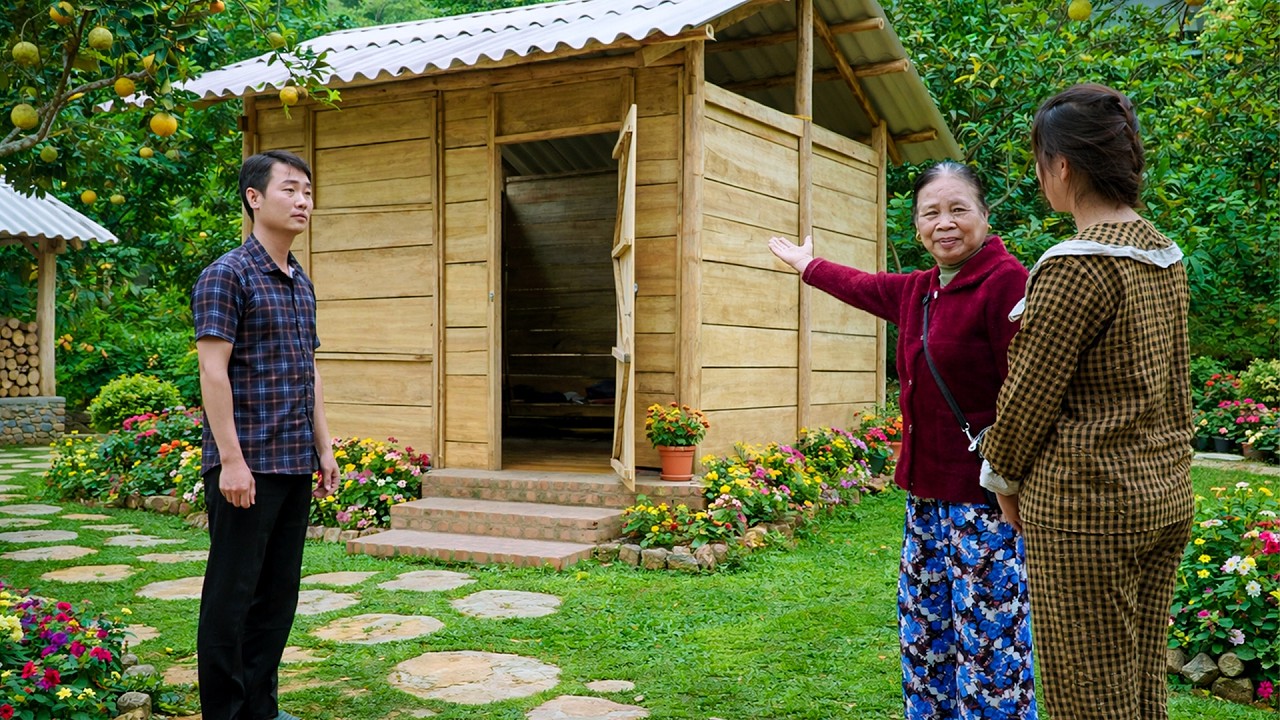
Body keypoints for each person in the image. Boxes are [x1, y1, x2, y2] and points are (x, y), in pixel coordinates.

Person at [768, 161, 1037, 719]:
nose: (945, 223)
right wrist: (807, 265)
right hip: (926, 500)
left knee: (991, 655)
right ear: (916, 226)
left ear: (985, 216)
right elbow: (865, 287)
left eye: (958, 209)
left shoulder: (1006, 283)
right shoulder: (920, 290)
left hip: (988, 503)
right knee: (927, 640)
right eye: (930, 212)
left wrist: (1011, 480)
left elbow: (1029, 392)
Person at [978, 83, 1193, 720]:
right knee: (1140, 686)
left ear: (1062, 166)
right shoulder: (1163, 254)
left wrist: (1002, 477)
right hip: (1162, 492)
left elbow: (1027, 395)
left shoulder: (1077, 265)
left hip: (1086, 509)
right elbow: (1174, 382)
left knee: (1086, 698)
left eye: (1041, 163)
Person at [193, 150, 339, 720]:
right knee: (232, 598)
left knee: (277, 598)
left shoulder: (300, 282)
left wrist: (324, 448)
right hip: (245, 466)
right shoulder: (226, 275)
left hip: (292, 461)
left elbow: (310, 370)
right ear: (255, 197)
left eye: (308, 191)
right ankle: (225, 714)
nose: (303, 201)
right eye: (290, 190)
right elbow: (213, 371)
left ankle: (261, 708)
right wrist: (230, 460)